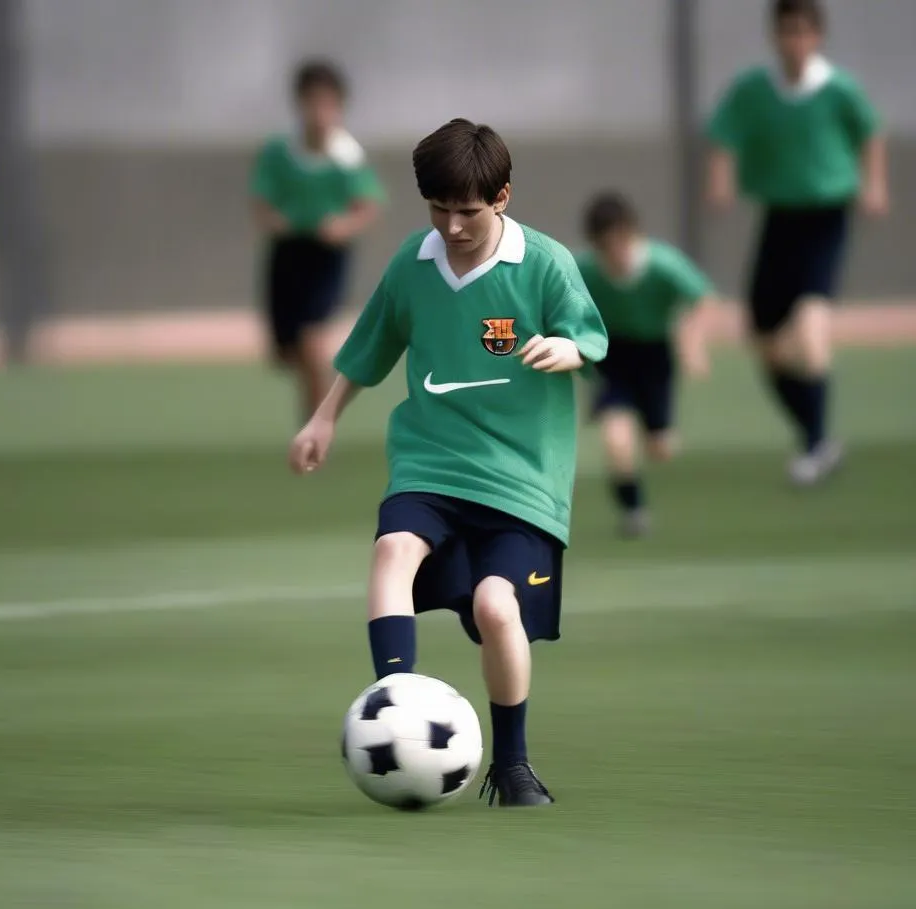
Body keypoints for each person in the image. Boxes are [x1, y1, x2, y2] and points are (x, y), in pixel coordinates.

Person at [289, 119, 607, 807]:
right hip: (430, 463)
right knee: (391, 551)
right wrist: (322, 418)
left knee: (497, 608)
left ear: (502, 196)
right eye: (440, 209)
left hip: (522, 480)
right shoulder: (413, 264)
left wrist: (566, 349)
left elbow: (590, 335)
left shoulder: (545, 264)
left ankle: (514, 765)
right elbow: (369, 349)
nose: (453, 225)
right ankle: (395, 705)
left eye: (468, 210)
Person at [706, 0, 888, 485]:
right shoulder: (755, 88)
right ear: (775, 35)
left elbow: (869, 132)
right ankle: (819, 437)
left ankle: (814, 443)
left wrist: (874, 184)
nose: (795, 42)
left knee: (810, 331)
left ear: (818, 36)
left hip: (827, 216)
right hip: (779, 216)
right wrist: (721, 180)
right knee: (764, 339)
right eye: (787, 32)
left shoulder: (838, 89)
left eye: (804, 32)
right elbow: (723, 132)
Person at [251, 61, 385, 420]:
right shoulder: (281, 151)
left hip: (326, 256)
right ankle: (312, 406)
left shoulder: (346, 155)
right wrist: (273, 219)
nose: (320, 112)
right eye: (313, 102)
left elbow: (367, 205)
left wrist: (344, 225)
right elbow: (262, 201)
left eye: (328, 103)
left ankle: (317, 425)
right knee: (285, 352)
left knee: (313, 343)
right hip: (289, 253)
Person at [576, 192, 716, 537]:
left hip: (656, 357)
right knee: (616, 440)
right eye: (607, 246)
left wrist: (693, 343)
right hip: (614, 357)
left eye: (622, 241)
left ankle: (657, 431)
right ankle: (634, 511)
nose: (617, 253)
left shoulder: (662, 265)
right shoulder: (585, 270)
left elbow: (704, 300)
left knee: (661, 448)